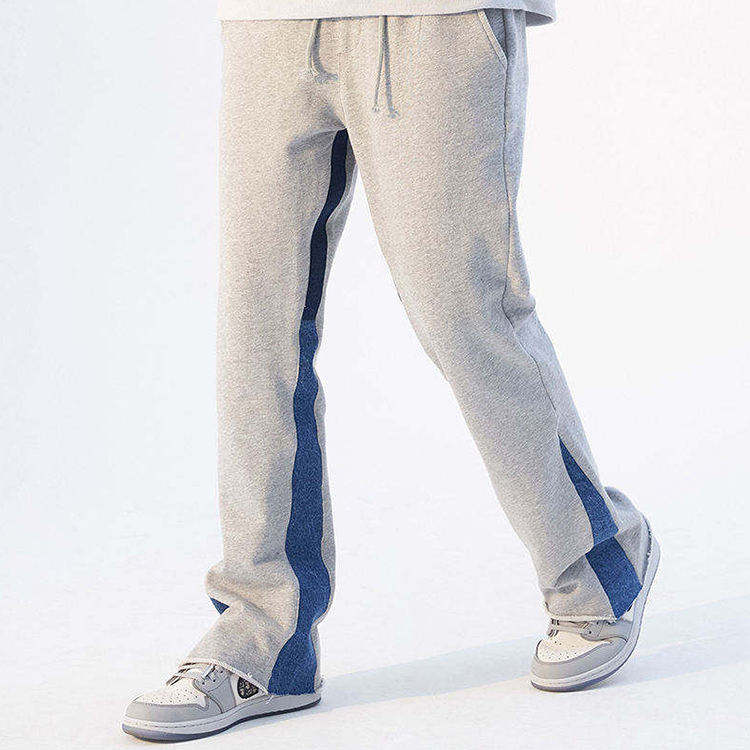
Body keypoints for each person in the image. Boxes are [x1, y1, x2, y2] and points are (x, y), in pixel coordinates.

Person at [122, 1, 660, 741]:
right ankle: (264, 632)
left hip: (435, 17)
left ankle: (598, 563)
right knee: (255, 331)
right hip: (268, 22)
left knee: (462, 308)